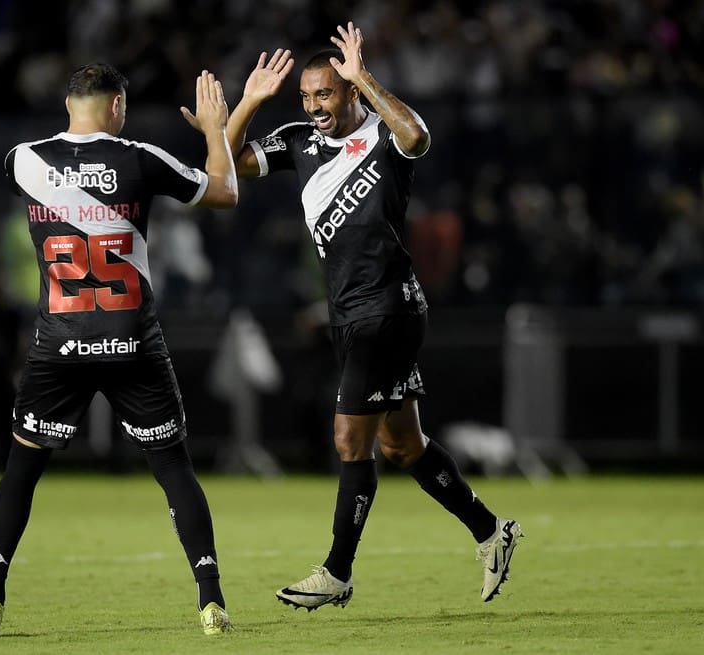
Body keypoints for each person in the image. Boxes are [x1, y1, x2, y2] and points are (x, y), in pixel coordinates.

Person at [223, 22, 524, 610]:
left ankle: (337, 572)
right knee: (403, 445)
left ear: (349, 92)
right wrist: (250, 101)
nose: (315, 107)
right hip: (349, 313)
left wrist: (364, 75)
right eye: (306, 96)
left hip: (388, 309)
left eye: (325, 93)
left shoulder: (384, 134)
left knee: (348, 437)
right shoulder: (297, 142)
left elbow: (419, 136)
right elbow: (227, 162)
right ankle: (492, 531)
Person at [0, 62, 237, 638]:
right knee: (173, 469)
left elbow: (29, 173)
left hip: (58, 345)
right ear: (117, 106)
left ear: (68, 104)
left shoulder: (23, 160)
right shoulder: (142, 159)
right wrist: (215, 129)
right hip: (132, 341)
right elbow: (225, 191)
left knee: (21, 471)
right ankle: (211, 601)